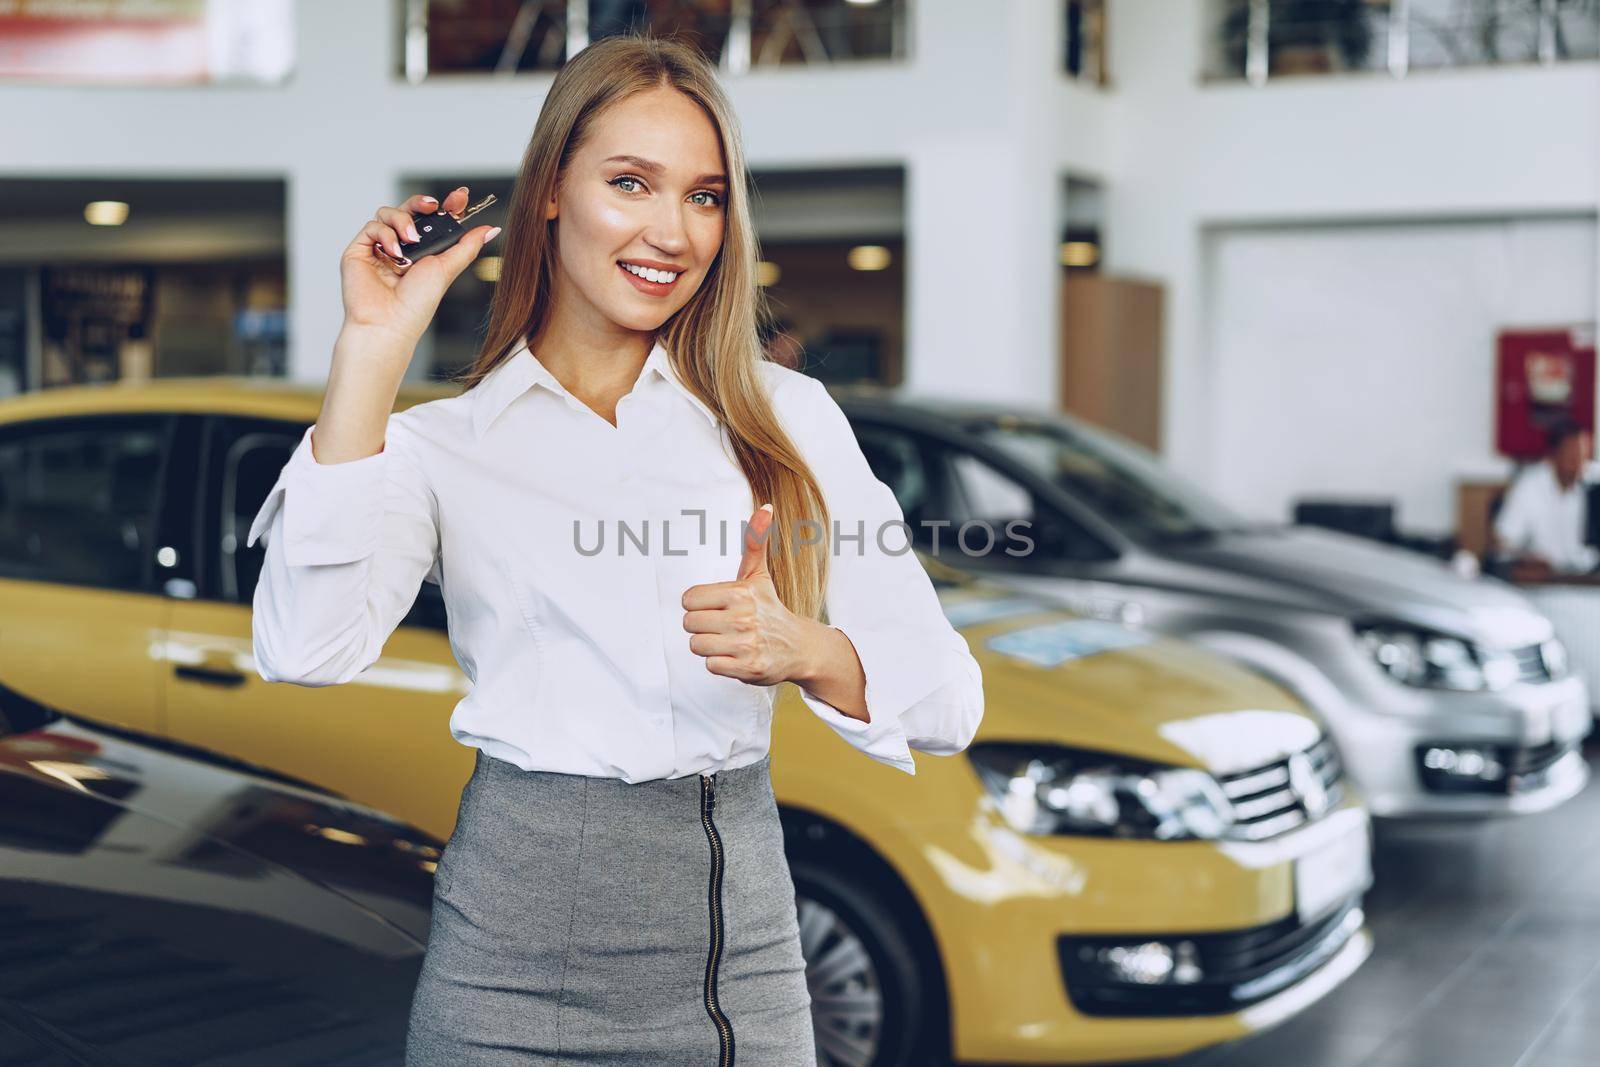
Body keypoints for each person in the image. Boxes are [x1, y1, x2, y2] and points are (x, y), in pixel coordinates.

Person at [244, 32, 984, 1067]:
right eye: (630, 182)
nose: (670, 230)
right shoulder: (440, 447)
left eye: (704, 196)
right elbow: (302, 647)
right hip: (504, 967)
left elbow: (950, 699)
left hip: (743, 968)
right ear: (550, 189)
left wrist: (806, 648)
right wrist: (371, 346)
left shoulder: (784, 418)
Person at [1493, 418, 1598, 578]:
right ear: (1552, 456)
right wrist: (1527, 558)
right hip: (1541, 583)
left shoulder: (1592, 486)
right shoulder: (1529, 487)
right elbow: (1502, 543)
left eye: (1583, 456)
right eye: (1572, 455)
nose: (1579, 463)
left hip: (1586, 580)